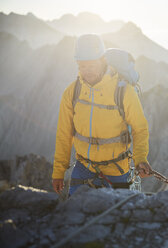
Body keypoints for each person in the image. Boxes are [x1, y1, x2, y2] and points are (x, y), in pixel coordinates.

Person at [52, 34, 152, 195]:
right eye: (82, 66)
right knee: (76, 216)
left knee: (117, 219)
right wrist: (58, 172)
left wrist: (140, 159)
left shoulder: (123, 91)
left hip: (117, 169)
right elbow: (64, 134)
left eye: (91, 65)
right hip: (84, 168)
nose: (87, 71)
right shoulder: (72, 92)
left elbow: (140, 128)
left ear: (103, 60)